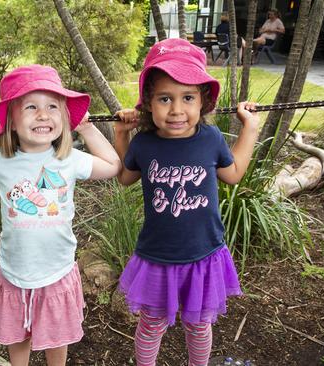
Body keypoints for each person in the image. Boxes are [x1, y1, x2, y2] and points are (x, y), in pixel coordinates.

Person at [114, 38, 260, 366]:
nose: (177, 110)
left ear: (203, 101)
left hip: (203, 256)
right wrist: (121, 135)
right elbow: (125, 177)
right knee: (151, 324)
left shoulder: (210, 139)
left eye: (188, 98)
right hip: (158, 257)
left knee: (199, 324)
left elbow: (233, 173)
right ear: (149, 103)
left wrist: (250, 129)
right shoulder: (146, 143)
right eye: (165, 98)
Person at [0, 64, 121, 366]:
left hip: (57, 272)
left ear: (64, 117)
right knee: (18, 337)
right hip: (15, 273)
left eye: (53, 107)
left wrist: (86, 128)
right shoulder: (2, 160)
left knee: (56, 340)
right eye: (31, 107)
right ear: (10, 120)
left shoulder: (68, 158)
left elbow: (113, 165)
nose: (43, 114)